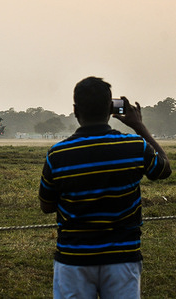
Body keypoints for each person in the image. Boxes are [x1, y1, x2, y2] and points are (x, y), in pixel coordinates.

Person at [38, 76, 171, 298]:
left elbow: (47, 206)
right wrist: (139, 126)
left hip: (73, 259)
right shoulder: (135, 146)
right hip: (123, 258)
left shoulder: (58, 154)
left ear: (75, 110)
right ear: (111, 109)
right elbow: (164, 168)